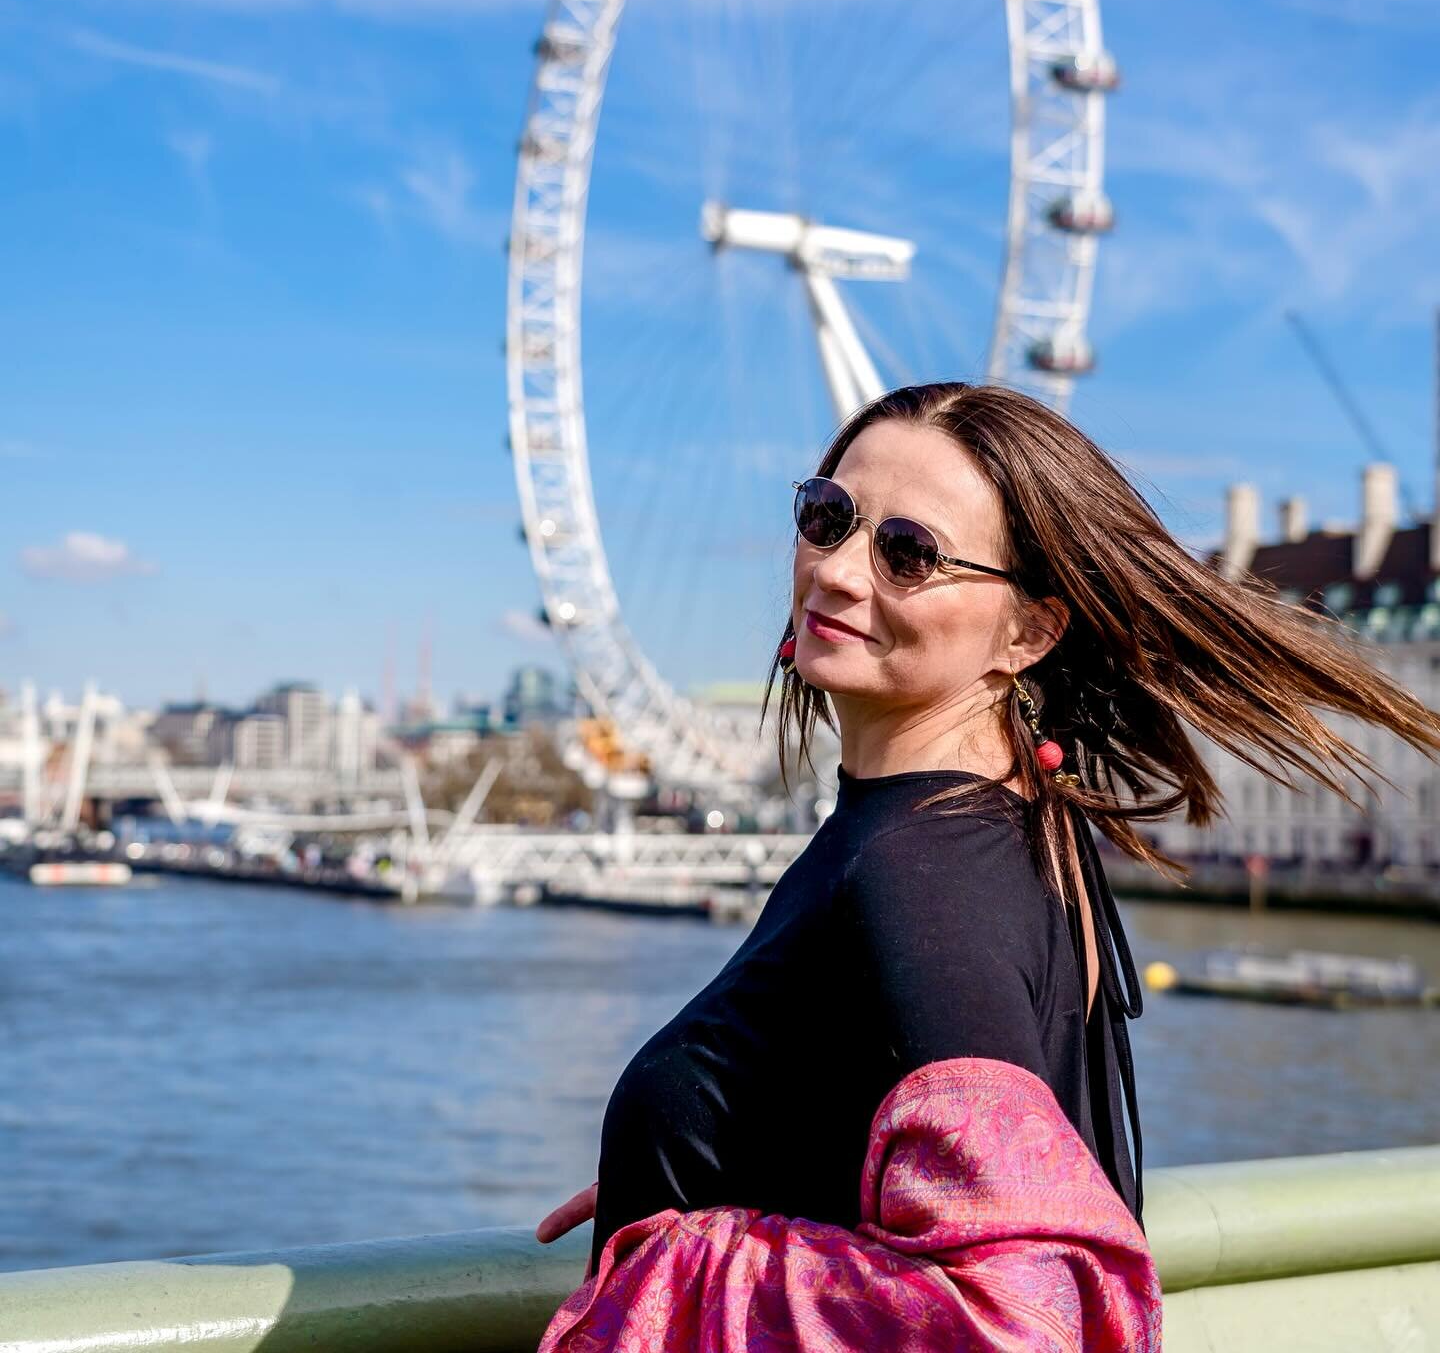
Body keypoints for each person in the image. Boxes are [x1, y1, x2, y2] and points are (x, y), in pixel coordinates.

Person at [536, 381, 1440, 1339]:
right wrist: (712, 1154)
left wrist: (687, 1259)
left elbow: (1017, 1312)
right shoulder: (1010, 828)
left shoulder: (919, 874)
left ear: (1030, 631)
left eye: (909, 554)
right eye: (827, 516)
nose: (837, 571)